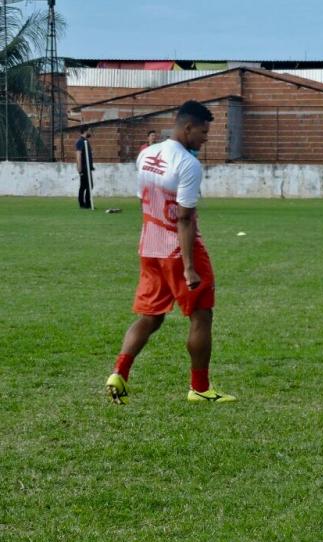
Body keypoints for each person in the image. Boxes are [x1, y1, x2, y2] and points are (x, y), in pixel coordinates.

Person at [105, 100, 235, 405]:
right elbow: (185, 219)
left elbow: (144, 199)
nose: (206, 139)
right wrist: (189, 267)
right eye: (203, 132)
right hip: (179, 251)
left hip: (150, 247)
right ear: (188, 128)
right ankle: (200, 388)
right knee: (201, 315)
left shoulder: (147, 155)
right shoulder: (188, 164)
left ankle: (119, 372)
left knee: (150, 317)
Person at [74, 125, 95, 209]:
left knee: (87, 186)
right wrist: (79, 168)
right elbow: (78, 155)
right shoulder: (80, 141)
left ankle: (86, 204)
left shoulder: (86, 141)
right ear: (86, 131)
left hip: (88, 167)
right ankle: (84, 204)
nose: (90, 132)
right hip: (84, 168)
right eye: (89, 130)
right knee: (86, 186)